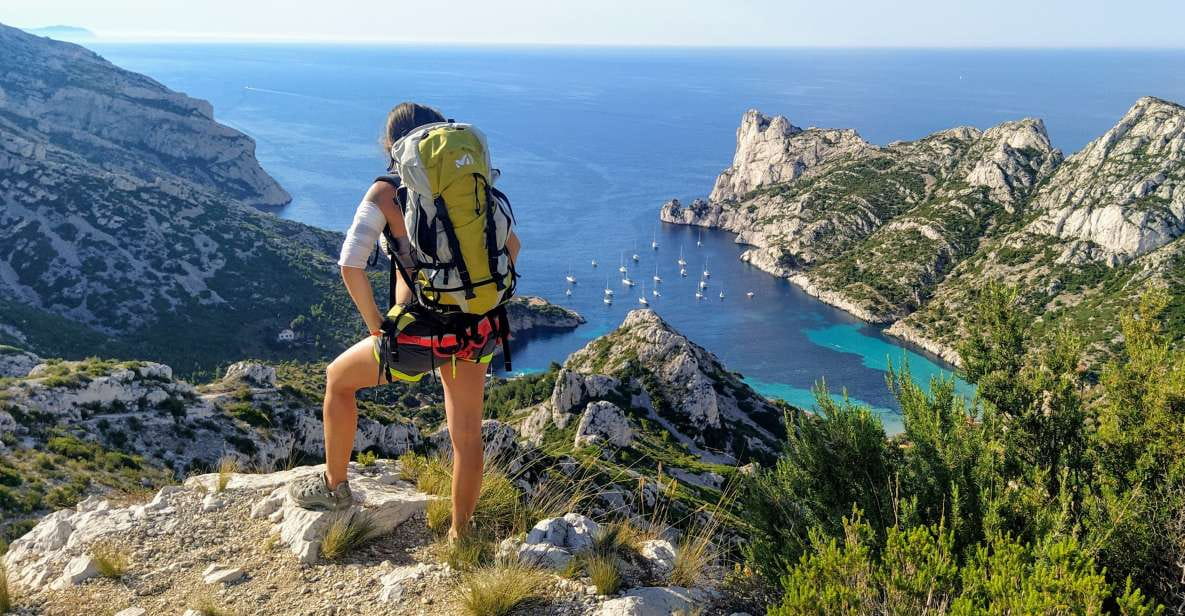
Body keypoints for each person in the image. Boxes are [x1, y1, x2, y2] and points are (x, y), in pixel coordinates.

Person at [286, 103, 520, 544]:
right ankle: (460, 534)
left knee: (338, 379)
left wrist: (377, 325)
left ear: (393, 147)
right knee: (467, 436)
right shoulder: (470, 187)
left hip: (417, 335)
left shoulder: (384, 192)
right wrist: (472, 295)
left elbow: (350, 265)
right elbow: (514, 246)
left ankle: (335, 489)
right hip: (477, 328)